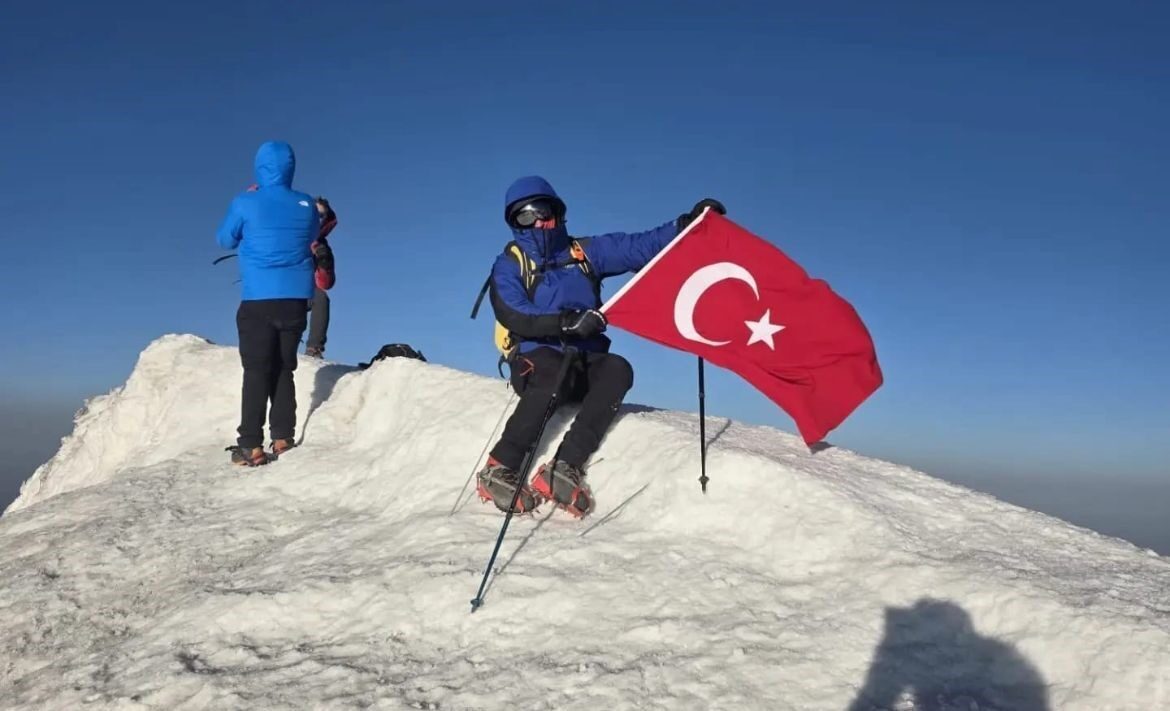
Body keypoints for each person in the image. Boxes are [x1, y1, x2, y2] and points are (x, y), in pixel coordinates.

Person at [476, 175, 725, 517]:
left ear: (557, 211)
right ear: (514, 223)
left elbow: (636, 246)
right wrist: (564, 322)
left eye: (541, 210)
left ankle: (563, 467)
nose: (536, 221)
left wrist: (686, 226)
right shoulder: (511, 263)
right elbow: (514, 312)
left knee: (618, 369)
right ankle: (499, 467)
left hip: (585, 359)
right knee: (550, 373)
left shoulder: (584, 252)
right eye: (524, 216)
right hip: (535, 359)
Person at [215, 140, 321, 467]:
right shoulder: (306, 202)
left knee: (257, 369)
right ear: (291, 168)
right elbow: (312, 234)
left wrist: (254, 198)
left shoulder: (246, 202)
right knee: (284, 368)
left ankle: (250, 444)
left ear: (259, 167)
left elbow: (224, 239)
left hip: (258, 298)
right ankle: (283, 438)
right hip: (295, 300)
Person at [305, 197, 338, 358]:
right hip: (280, 286)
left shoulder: (322, 246)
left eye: (321, 216)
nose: (317, 218)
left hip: (305, 292)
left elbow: (326, 284)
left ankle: (314, 348)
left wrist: (323, 265)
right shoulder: (289, 232)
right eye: (314, 213)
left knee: (321, 298)